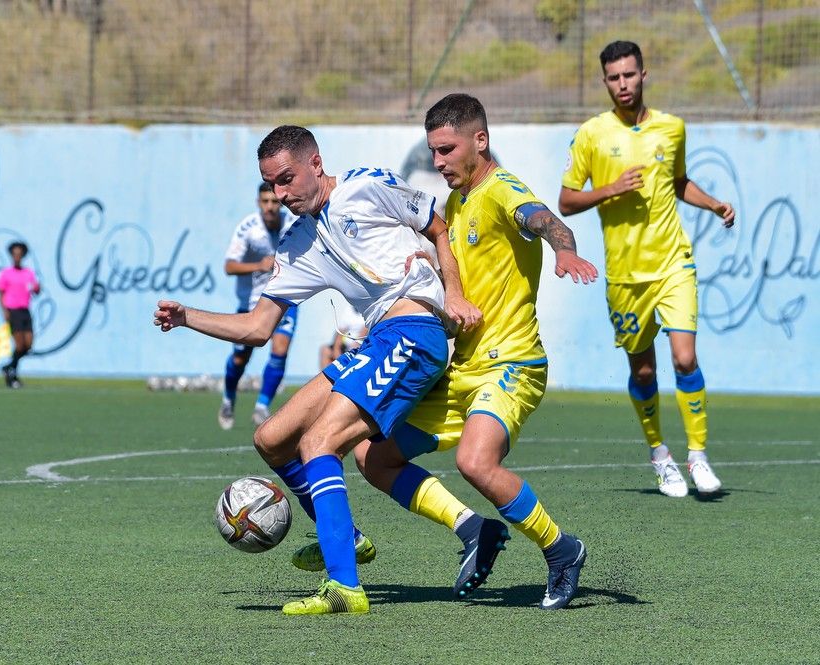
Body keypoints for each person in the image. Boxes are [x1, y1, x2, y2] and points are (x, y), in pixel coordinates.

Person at [155, 125, 481, 615]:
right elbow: (259, 326)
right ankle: (347, 541)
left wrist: (452, 292)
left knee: (317, 444)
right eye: (272, 186)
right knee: (271, 438)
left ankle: (344, 587)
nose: (282, 195)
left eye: (287, 179)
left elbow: (436, 226)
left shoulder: (364, 187)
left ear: (315, 163)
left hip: (415, 332)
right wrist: (186, 319)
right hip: (379, 342)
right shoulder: (297, 244)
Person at [347, 94, 599, 610]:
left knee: (474, 461)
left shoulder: (501, 189)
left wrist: (564, 248)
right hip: (460, 371)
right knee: (372, 457)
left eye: (446, 150)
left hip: (510, 365)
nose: (437, 163)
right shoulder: (455, 205)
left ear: (479, 141)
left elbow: (542, 218)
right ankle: (472, 529)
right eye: (433, 151)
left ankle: (562, 550)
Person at [558, 41, 735, 498]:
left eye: (629, 75)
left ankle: (697, 455)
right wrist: (612, 188)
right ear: (605, 82)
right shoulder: (592, 135)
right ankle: (660, 454)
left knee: (685, 358)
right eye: (614, 77)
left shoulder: (672, 128)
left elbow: (678, 182)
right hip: (625, 275)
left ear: (643, 74)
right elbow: (567, 200)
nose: (623, 84)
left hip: (674, 261)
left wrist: (713, 204)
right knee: (642, 374)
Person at [218, 183, 298, 429]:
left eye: (274, 202)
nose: (270, 207)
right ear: (258, 203)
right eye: (265, 202)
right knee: (242, 357)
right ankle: (229, 397)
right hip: (251, 303)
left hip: (285, 299)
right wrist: (259, 265)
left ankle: (262, 406)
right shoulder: (248, 229)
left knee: (280, 349)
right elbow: (229, 266)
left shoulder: (293, 223)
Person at [0, 241, 40, 389]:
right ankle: (13, 373)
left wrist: (37, 288)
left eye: (19, 255)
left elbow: (35, 289)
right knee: (19, 344)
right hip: (13, 311)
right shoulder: (6, 274)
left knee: (28, 345)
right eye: (14, 254)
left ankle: (9, 367)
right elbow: (0, 293)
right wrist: (5, 311)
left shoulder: (28, 273)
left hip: (25, 311)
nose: (17, 257)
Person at [318, 304, 366, 370]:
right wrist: (336, 349)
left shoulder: (368, 310)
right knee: (325, 350)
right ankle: (325, 378)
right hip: (345, 345)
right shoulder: (349, 310)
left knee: (354, 347)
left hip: (359, 343)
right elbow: (340, 332)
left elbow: (365, 332)